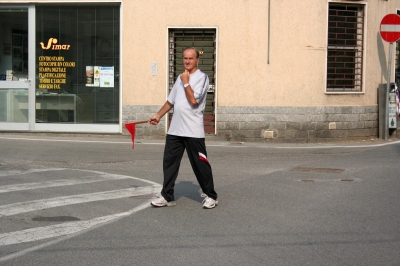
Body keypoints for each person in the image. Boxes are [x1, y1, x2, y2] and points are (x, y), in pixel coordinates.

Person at [149, 47, 218, 209]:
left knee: (200, 165)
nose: (187, 61)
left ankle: (211, 196)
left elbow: (194, 101)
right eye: (185, 58)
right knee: (169, 164)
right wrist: (158, 115)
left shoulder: (202, 77)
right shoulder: (180, 78)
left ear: (197, 60)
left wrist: (187, 81)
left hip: (193, 131)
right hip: (175, 130)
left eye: (191, 58)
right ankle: (167, 196)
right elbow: (170, 102)